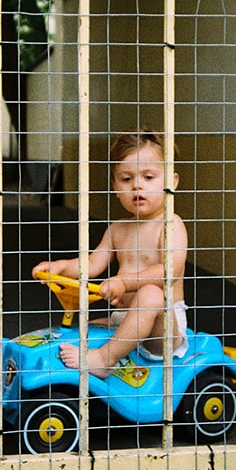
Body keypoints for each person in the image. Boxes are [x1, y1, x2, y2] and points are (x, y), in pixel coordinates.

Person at [32, 130, 188, 379]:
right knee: (89, 327)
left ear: (172, 181)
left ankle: (104, 359)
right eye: (126, 179)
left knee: (151, 294)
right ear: (115, 187)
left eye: (148, 177)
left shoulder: (171, 224)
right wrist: (61, 266)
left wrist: (123, 282)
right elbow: (92, 263)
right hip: (124, 317)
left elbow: (170, 271)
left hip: (163, 327)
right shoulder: (118, 229)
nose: (137, 185)